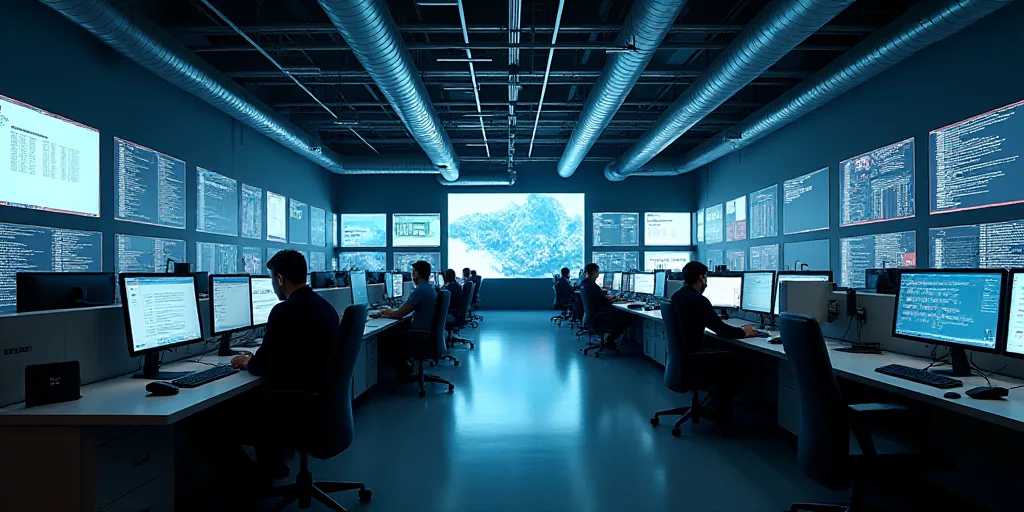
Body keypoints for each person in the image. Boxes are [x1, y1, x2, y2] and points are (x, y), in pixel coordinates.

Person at [670, 261, 756, 415]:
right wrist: (744, 331)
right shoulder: (699, 301)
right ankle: (718, 404)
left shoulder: (677, 296)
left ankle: (714, 401)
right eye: (706, 278)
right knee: (744, 361)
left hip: (683, 357)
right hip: (695, 358)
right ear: (701, 278)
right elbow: (721, 330)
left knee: (728, 352)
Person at [378, 260, 438, 375]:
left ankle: (404, 371)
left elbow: (399, 314)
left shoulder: (420, 290)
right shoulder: (429, 288)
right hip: (428, 332)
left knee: (383, 342)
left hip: (420, 334)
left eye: (413, 271)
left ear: (416, 273)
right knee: (397, 330)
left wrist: (385, 311)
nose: (412, 274)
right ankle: (405, 367)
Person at [579, 262, 633, 346]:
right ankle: (610, 340)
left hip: (590, 317)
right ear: (593, 272)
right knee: (627, 316)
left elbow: (599, 299)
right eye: (597, 271)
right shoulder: (593, 286)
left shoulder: (584, 284)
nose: (598, 273)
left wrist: (611, 298)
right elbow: (605, 302)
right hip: (598, 316)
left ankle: (611, 339)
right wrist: (616, 299)